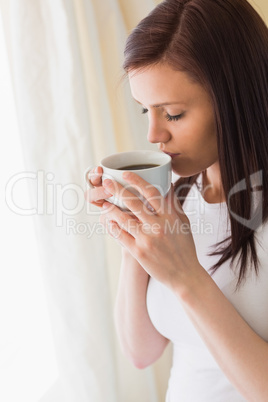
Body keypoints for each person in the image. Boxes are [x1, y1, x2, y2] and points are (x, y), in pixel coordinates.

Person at [85, 0, 268, 400]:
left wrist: (187, 277)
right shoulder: (179, 196)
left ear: (235, 100)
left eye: (173, 114)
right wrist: (132, 237)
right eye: (144, 111)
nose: (153, 135)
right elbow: (141, 352)